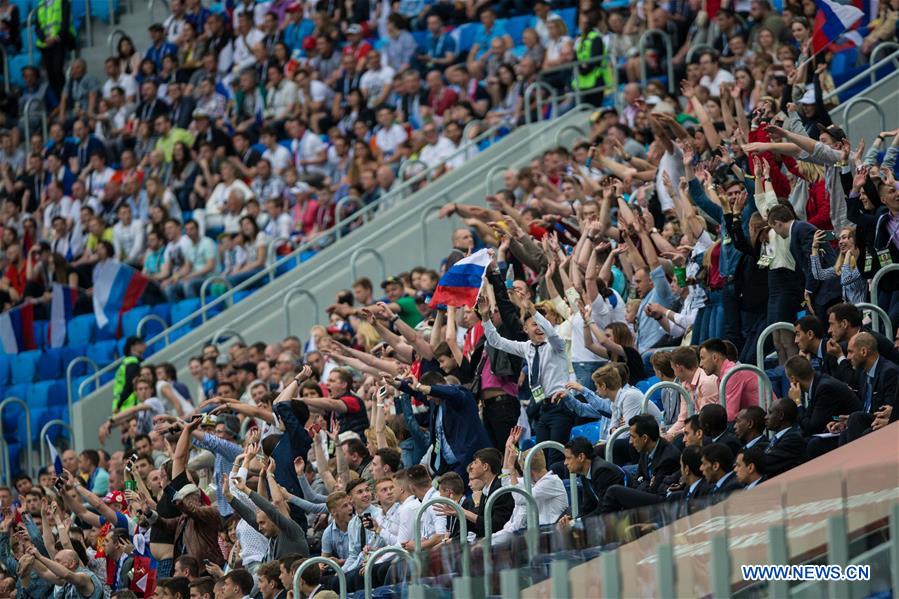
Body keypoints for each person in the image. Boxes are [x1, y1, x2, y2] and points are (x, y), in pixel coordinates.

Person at [560, 436, 625, 519]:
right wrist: (573, 520)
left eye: (568, 458)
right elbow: (587, 509)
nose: (565, 463)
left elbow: (605, 509)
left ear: (581, 457)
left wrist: (576, 523)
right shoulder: (585, 475)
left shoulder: (603, 471)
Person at [764, 398, 807, 477]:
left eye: (770, 413)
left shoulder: (793, 439)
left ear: (781, 415)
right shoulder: (777, 439)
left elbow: (767, 462)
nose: (765, 417)